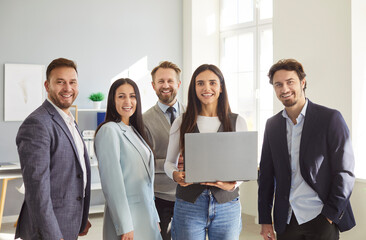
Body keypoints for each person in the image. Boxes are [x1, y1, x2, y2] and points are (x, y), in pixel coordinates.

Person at [258, 59, 356, 240]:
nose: (284, 89)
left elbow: (345, 172)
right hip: (286, 219)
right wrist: (265, 220)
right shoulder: (272, 125)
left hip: (320, 216)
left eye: (290, 82)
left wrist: (330, 214)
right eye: (278, 84)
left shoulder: (330, 118)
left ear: (303, 83)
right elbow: (265, 176)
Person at [164, 64, 247, 240]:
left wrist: (233, 184)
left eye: (212, 83)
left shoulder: (238, 121)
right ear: (194, 88)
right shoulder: (181, 122)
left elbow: (244, 165)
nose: (206, 88)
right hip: (189, 204)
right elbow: (169, 162)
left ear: (221, 87)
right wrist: (175, 175)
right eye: (200, 83)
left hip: (227, 204)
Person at [15, 58, 91, 240]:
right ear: (47, 86)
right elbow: (37, 190)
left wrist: (80, 216)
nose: (68, 88)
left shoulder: (69, 121)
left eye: (72, 82)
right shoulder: (37, 123)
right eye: (60, 82)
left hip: (68, 222)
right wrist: (53, 235)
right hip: (48, 231)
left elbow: (74, 173)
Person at [94, 78, 162, 240]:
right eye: (121, 96)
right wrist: (125, 226)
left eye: (132, 96)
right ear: (112, 100)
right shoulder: (109, 130)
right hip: (128, 221)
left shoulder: (134, 130)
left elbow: (146, 182)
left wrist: (155, 217)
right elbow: (113, 184)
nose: (128, 101)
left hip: (147, 217)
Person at [143, 61, 185, 240]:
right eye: (160, 81)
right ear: (153, 85)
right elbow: (144, 161)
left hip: (189, 194)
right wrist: (172, 165)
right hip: (160, 196)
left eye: (170, 81)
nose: (165, 85)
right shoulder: (143, 120)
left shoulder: (192, 114)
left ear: (178, 84)